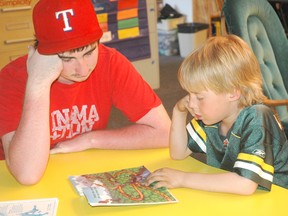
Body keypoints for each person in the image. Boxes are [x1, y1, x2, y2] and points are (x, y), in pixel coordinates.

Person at [0, 0, 171, 185]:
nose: (82, 70)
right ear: (41, 54)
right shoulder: (12, 78)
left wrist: (90, 140)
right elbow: (27, 175)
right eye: (67, 58)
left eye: (89, 52)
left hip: (81, 168)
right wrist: (38, 82)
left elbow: (165, 132)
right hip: (19, 182)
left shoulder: (110, 62)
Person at [146, 35, 288, 195]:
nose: (191, 104)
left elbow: (245, 184)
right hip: (239, 197)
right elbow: (178, 153)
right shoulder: (211, 117)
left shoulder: (257, 118)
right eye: (189, 95)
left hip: (279, 197)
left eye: (199, 97)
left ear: (233, 93)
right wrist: (178, 112)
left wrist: (183, 179)